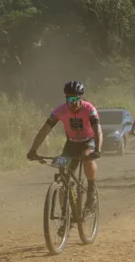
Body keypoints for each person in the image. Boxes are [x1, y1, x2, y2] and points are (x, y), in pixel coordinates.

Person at [27, 81, 102, 211]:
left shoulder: (89, 109)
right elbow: (44, 130)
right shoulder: (60, 110)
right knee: (63, 174)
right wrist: (33, 149)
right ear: (65, 98)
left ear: (81, 98)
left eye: (75, 99)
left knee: (87, 158)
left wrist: (97, 150)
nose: (72, 102)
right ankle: (65, 215)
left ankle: (91, 192)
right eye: (69, 99)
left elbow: (98, 130)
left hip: (89, 141)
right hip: (72, 143)